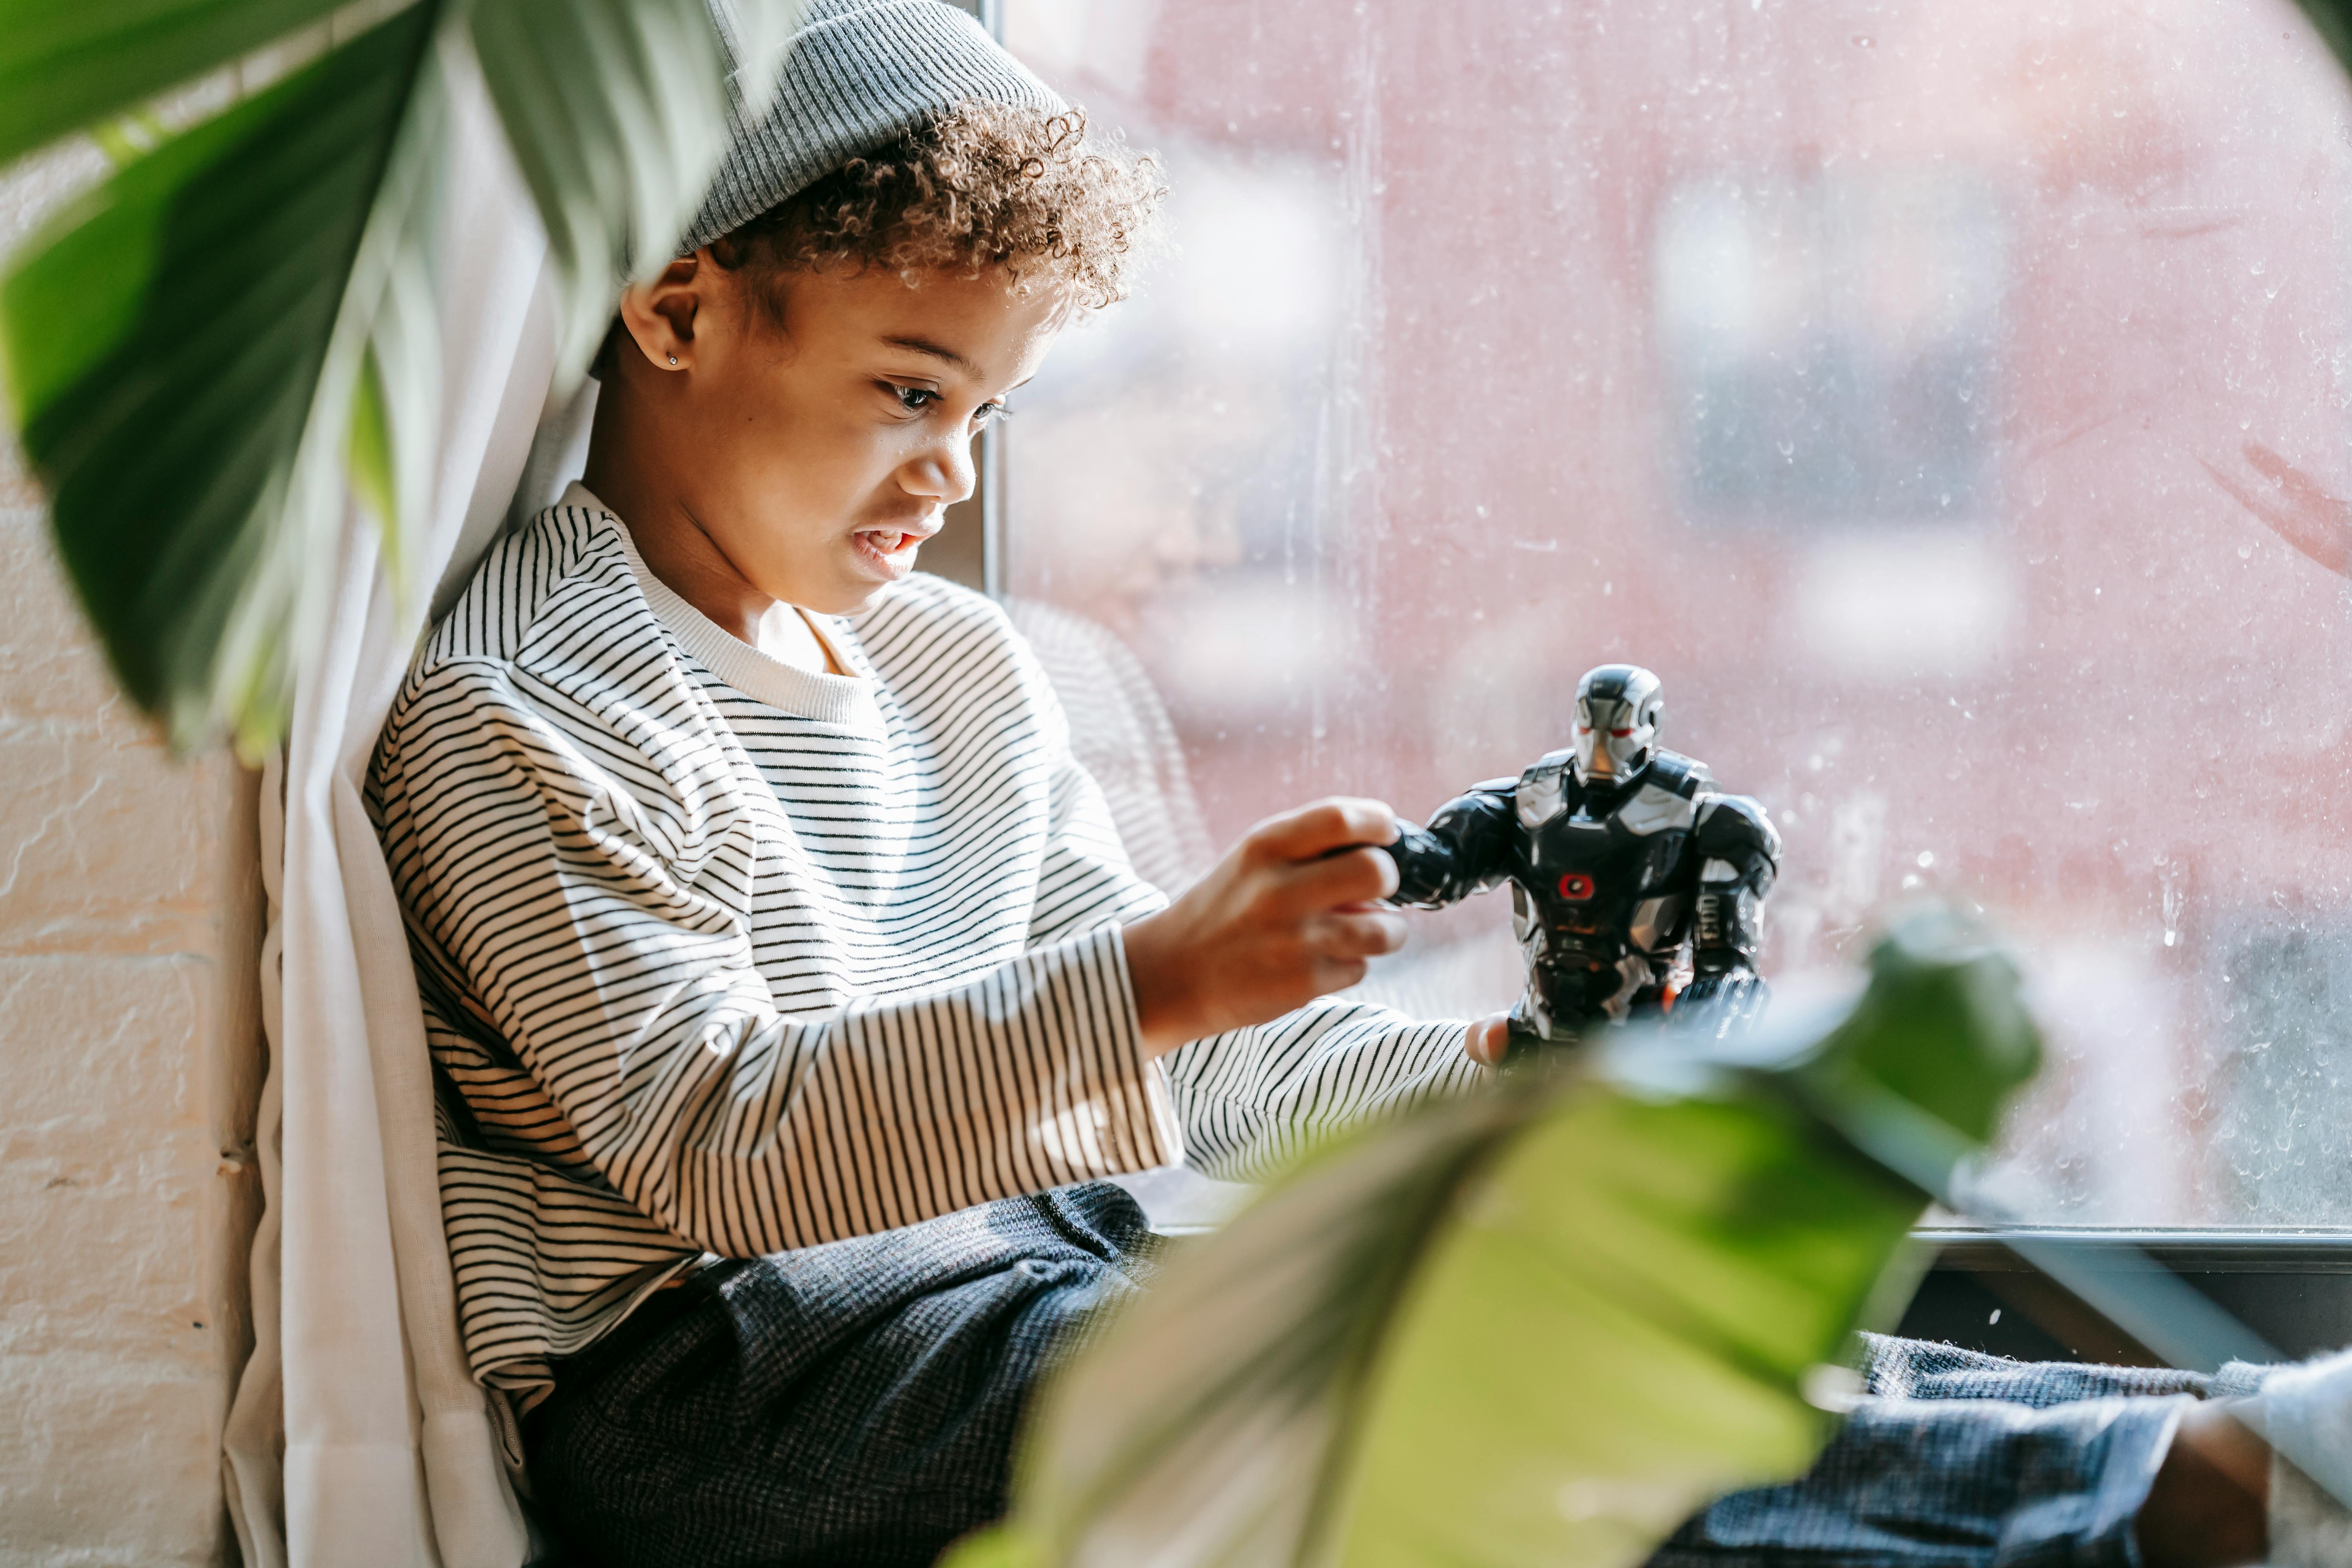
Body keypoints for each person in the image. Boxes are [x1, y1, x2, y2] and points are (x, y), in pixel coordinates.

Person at [369, 3, 2350, 1564]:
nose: (950, 473)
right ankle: (2185, 1503)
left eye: (985, 410)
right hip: (736, 1395)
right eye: (909, 389)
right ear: (679, 306)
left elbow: (1168, 1079)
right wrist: (1152, 980)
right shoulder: (521, 703)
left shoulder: (963, 673)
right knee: (1423, 1392)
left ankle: (2217, 1441)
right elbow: (723, 1143)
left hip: (1028, 1262)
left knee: (1543, 1291)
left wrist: (1494, 1075)